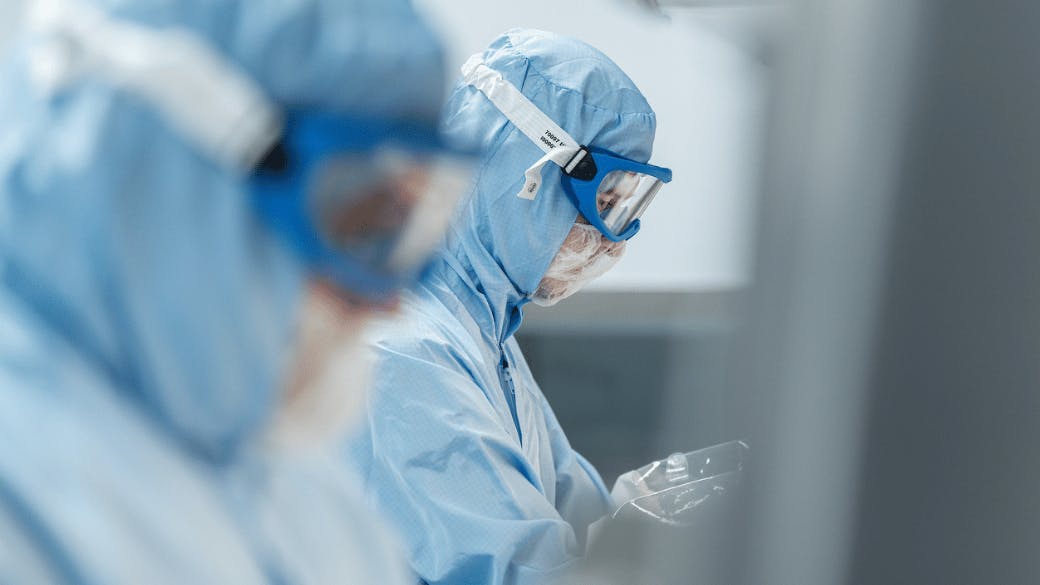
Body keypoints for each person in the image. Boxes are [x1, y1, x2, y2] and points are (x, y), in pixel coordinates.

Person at [0, 0, 470, 582]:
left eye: (406, 229)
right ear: (171, 170)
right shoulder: (21, 507)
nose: (385, 300)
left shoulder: (303, 498)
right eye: (356, 223)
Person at [345, 28, 673, 585]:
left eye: (627, 209)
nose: (612, 240)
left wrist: (643, 511)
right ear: (527, 174)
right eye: (604, 204)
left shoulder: (480, 331)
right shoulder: (407, 349)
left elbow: (566, 512)